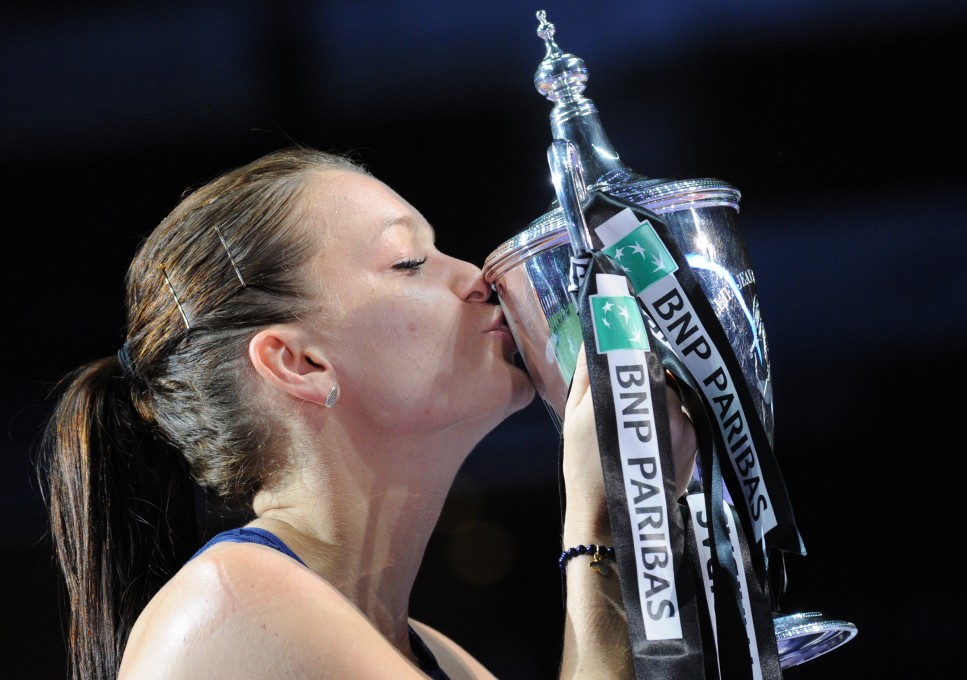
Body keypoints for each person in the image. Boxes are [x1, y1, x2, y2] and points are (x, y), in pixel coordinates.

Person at [41, 147, 697, 679]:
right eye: (409, 262)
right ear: (300, 363)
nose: (478, 274)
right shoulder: (233, 613)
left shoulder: (440, 660)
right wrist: (606, 522)